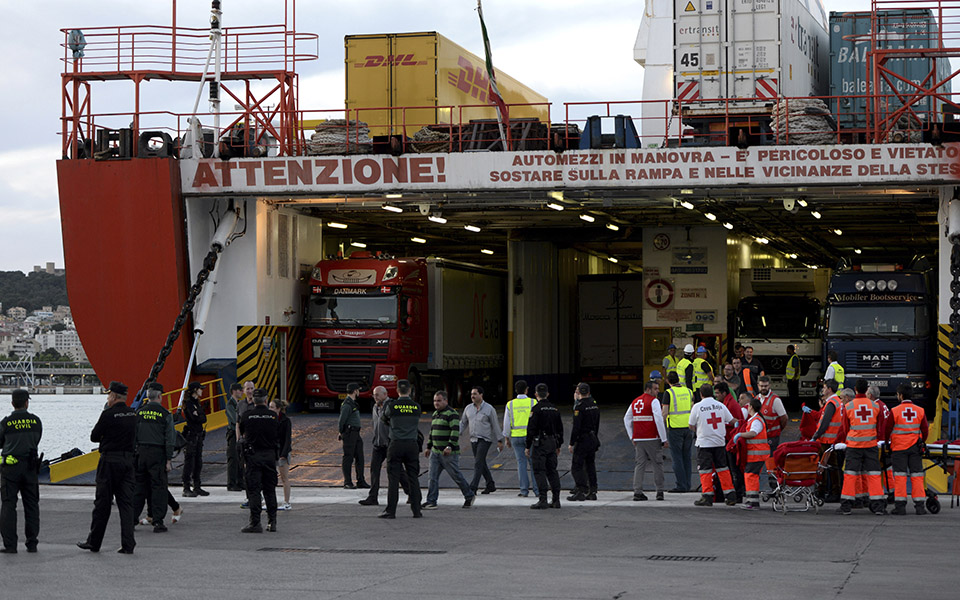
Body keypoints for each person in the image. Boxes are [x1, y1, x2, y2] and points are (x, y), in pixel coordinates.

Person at [77, 381, 137, 554]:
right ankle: (128, 544)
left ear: (114, 396)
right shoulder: (133, 414)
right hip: (127, 462)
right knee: (126, 504)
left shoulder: (108, 414)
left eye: (108, 395)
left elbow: (94, 437)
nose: (107, 398)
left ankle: (94, 542)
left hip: (109, 462)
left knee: (103, 503)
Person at [0, 389, 42, 554]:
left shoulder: (6, 422)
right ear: (27, 402)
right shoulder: (36, 421)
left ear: (12, 403)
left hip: (10, 468)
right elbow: (37, 438)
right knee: (31, 505)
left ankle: (10, 545)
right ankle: (32, 544)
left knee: (8, 505)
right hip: (30, 467)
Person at [133, 382, 175, 533]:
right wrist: (169, 459)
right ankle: (158, 522)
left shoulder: (139, 413)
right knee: (158, 488)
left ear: (147, 396)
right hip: (157, 455)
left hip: (141, 453)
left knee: (139, 487)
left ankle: (132, 519)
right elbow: (170, 439)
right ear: (159, 396)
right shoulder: (165, 414)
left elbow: (134, 436)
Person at [838, 381, 886, 515]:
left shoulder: (848, 406)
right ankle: (878, 506)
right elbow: (879, 426)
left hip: (854, 446)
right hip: (871, 445)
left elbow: (845, 428)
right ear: (866, 391)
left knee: (850, 475)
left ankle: (846, 505)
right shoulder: (875, 406)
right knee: (874, 475)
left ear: (855, 389)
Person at [422, 390, 475, 510]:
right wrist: (429, 447)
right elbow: (432, 431)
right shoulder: (435, 414)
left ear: (445, 400)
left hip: (448, 453)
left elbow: (455, 431)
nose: (436, 403)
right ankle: (431, 501)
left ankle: (469, 495)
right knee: (432, 477)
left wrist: (449, 446)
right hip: (435, 452)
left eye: (439, 401)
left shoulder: (452, 414)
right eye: (435, 401)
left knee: (456, 475)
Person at [688, 384, 737, 507]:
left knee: (705, 470)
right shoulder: (721, 406)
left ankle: (707, 496)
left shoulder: (697, 407)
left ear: (701, 394)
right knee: (723, 469)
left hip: (704, 443)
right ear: (713, 393)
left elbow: (691, 425)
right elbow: (732, 421)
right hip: (719, 443)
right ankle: (730, 496)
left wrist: (700, 431)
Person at [379, 379, 422, 519]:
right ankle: (416, 510)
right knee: (413, 478)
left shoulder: (392, 406)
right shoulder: (416, 407)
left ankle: (391, 511)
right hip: (411, 444)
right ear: (409, 390)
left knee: (393, 479)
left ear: (397, 391)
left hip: (396, 443)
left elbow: (384, 419)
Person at [239, 388, 280, 532]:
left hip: (253, 456)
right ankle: (272, 521)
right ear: (266, 399)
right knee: (270, 490)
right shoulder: (273, 416)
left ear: (253, 400)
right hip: (269, 456)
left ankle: (255, 522)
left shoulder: (247, 415)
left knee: (254, 490)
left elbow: (242, 432)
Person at [359, 386, 407, 506]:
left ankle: (410, 492)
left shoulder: (391, 406)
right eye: (374, 395)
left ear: (385, 394)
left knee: (398, 471)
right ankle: (372, 497)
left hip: (389, 444)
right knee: (374, 470)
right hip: (378, 444)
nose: (375, 397)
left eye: (377, 395)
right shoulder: (375, 407)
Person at [887, 383, 929, 515]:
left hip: (899, 448)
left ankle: (900, 506)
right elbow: (925, 430)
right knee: (917, 476)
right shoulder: (920, 411)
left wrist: (888, 444)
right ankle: (920, 506)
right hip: (915, 448)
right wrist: (921, 441)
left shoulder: (894, 411)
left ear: (900, 396)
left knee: (900, 476)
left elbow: (886, 430)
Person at [624, 377, 667, 501]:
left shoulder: (635, 401)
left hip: (639, 439)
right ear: (648, 389)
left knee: (640, 465)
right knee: (657, 464)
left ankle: (637, 492)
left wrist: (632, 435)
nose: (657, 391)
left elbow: (626, 419)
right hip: (652, 438)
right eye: (655, 389)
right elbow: (658, 419)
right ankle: (659, 491)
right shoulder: (653, 401)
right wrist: (663, 438)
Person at [460, 386, 503, 494]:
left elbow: (495, 425)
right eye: (471, 394)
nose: (472, 396)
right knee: (481, 462)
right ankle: (490, 484)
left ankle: (473, 487)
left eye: (475, 394)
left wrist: (500, 440)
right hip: (473, 439)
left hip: (485, 439)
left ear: (481, 395)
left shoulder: (489, 409)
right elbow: (463, 423)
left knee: (478, 462)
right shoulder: (468, 408)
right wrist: (455, 434)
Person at [526, 383, 563, 509]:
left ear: (536, 394)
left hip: (540, 443)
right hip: (552, 442)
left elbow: (531, 429)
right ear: (547, 394)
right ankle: (556, 500)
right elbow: (560, 429)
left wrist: (527, 446)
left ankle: (543, 499)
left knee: (539, 471)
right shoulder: (554, 409)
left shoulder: (535, 410)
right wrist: (559, 444)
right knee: (552, 471)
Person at [503, 380, 538, 498]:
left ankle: (524, 490)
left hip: (516, 437)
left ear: (515, 390)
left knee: (521, 463)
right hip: (531, 437)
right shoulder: (533, 402)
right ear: (527, 390)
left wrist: (506, 437)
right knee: (534, 463)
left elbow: (506, 423)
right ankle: (537, 490)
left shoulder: (510, 404)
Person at [733, 397, 769, 510]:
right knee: (750, 476)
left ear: (751, 407)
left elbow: (753, 433)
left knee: (751, 476)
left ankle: (753, 502)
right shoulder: (755, 419)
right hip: (756, 454)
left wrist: (741, 435)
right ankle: (751, 500)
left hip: (756, 454)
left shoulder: (756, 420)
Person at [568, 382, 600, 502]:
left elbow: (576, 427)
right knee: (590, 465)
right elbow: (597, 424)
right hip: (592, 438)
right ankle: (592, 491)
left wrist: (571, 443)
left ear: (579, 392)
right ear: (589, 392)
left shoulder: (579, 407)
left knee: (577, 466)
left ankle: (581, 490)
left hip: (582, 440)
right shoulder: (594, 405)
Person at [662, 371, 694, 492]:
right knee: (687, 457)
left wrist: (660, 429)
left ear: (668, 381)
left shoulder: (668, 393)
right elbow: (692, 408)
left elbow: (664, 413)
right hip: (688, 429)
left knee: (677, 458)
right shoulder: (688, 391)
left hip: (675, 429)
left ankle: (681, 486)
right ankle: (687, 484)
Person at [756, 375, 788, 485]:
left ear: (769, 385)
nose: (763, 388)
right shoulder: (757, 399)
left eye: (765, 386)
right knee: (758, 460)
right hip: (760, 438)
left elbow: (784, 418)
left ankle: (774, 485)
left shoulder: (775, 400)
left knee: (771, 462)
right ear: (758, 386)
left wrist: (778, 430)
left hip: (772, 437)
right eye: (761, 386)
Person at [715, 381, 744, 502]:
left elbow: (736, 422)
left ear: (724, 393)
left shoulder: (730, 405)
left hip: (731, 441)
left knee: (733, 469)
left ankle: (737, 495)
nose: (716, 396)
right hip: (729, 440)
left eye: (717, 393)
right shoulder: (728, 403)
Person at [338, 382, 368, 490]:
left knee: (360, 456)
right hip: (349, 432)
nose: (359, 392)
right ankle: (347, 482)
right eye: (358, 390)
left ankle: (361, 480)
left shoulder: (353, 403)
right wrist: (341, 432)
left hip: (356, 433)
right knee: (348, 457)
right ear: (355, 391)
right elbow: (342, 420)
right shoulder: (347, 404)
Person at [181, 381, 208, 497]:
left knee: (198, 461)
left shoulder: (196, 403)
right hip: (191, 436)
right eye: (200, 389)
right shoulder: (189, 404)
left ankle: (197, 486)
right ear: (195, 390)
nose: (202, 390)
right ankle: (186, 487)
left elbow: (203, 418)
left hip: (198, 435)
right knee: (189, 462)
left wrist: (199, 415)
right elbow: (195, 418)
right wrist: (199, 416)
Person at [271, 399, 292, 511]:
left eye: (272, 407)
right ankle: (270, 500)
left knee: (284, 477)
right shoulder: (270, 420)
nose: (270, 409)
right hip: (272, 451)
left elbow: (288, 438)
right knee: (270, 477)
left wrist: (284, 453)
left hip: (282, 451)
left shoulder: (286, 421)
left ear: (278, 409)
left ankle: (287, 502)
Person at [235, 381, 256, 490]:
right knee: (245, 468)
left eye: (252, 388)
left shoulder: (258, 404)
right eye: (248, 389)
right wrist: (238, 439)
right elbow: (237, 423)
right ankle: (249, 493)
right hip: (244, 440)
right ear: (243, 391)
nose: (250, 391)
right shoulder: (240, 405)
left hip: (255, 441)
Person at [225, 382, 243, 491]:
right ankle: (231, 483)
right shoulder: (230, 404)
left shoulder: (238, 403)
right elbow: (234, 419)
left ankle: (240, 481)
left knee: (240, 459)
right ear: (234, 391)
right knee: (233, 458)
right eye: (240, 390)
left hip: (239, 432)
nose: (241, 392)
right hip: (233, 433)